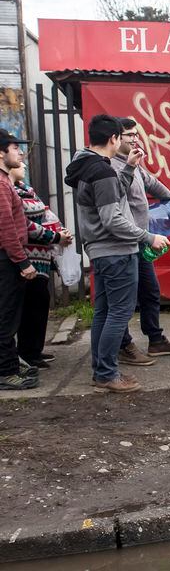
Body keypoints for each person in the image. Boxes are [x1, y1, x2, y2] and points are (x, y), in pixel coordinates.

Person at [65, 115, 169, 393]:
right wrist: (149, 236)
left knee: (104, 312)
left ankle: (101, 369)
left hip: (101, 250)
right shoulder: (102, 171)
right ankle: (107, 373)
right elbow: (113, 218)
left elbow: (111, 198)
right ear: (114, 139)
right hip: (115, 250)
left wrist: (129, 169)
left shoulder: (88, 166)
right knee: (119, 313)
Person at [111, 118, 170, 366]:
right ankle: (124, 346)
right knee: (124, 298)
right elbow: (113, 202)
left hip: (142, 241)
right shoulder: (111, 167)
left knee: (150, 291)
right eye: (128, 135)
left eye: (136, 134)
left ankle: (155, 340)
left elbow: (154, 184)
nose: (134, 139)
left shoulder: (134, 165)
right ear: (115, 138)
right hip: (125, 241)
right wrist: (130, 168)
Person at [12, 165, 73, 369]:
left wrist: (60, 231)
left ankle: (33, 350)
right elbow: (23, 225)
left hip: (42, 256)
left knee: (39, 302)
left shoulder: (27, 189)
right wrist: (55, 236)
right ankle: (26, 353)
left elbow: (46, 213)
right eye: (19, 161)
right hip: (26, 256)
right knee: (29, 305)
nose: (24, 165)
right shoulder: (10, 191)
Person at [0, 128, 39, 390]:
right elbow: (6, 228)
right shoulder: (1, 184)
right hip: (6, 260)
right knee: (6, 317)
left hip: (8, 259)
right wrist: (22, 262)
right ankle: (6, 372)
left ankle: (10, 364)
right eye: (15, 148)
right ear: (1, 153)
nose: (20, 152)